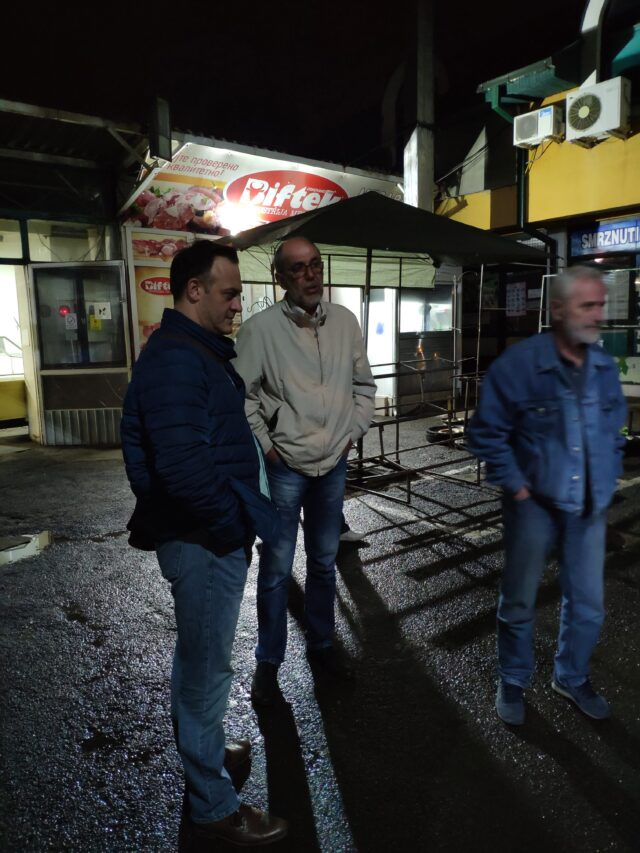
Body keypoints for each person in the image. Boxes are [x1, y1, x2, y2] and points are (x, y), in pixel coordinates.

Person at [120, 241, 287, 845]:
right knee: (205, 671)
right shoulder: (177, 360)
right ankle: (214, 805)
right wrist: (229, 526)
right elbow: (184, 470)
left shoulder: (190, 351)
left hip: (205, 535)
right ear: (195, 290)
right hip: (202, 540)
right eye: (229, 293)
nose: (238, 304)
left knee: (200, 659)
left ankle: (208, 750)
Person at [466, 265, 626, 726]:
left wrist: (606, 480)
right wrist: (516, 486)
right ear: (557, 310)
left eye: (600, 305)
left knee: (588, 603)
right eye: (586, 306)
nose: (597, 315)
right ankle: (513, 679)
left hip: (587, 505)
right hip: (532, 504)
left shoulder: (603, 367)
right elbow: (485, 431)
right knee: (519, 601)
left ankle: (571, 676)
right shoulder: (520, 364)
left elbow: (614, 430)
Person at [234, 236, 376, 704]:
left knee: (323, 562)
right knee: (276, 569)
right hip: (285, 467)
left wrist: (351, 433)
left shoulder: (345, 322)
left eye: (315, 265)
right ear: (279, 277)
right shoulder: (259, 331)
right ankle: (268, 661)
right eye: (298, 268)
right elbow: (243, 399)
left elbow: (364, 385)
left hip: (332, 463)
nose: (311, 275)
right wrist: (268, 449)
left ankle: (322, 645)